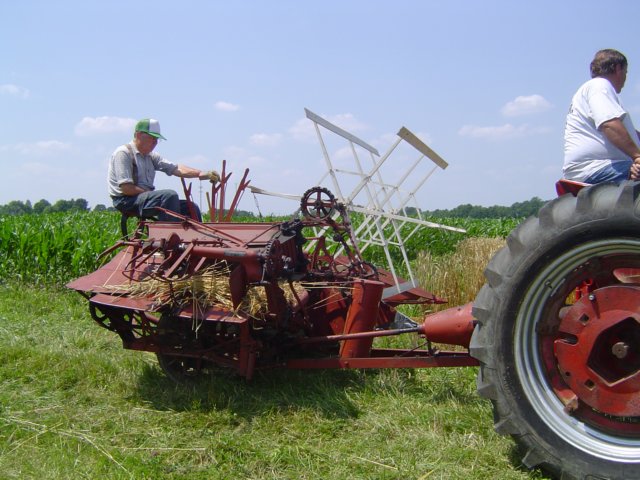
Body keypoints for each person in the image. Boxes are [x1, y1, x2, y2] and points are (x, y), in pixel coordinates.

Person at [108, 118, 219, 221]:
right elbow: (126, 188)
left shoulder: (151, 156)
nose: (155, 142)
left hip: (144, 198)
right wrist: (152, 194)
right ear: (138, 135)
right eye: (152, 138)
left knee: (191, 207)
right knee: (169, 196)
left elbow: (175, 168)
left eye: (157, 139)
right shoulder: (124, 153)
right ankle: (168, 238)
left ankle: (196, 239)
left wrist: (202, 173)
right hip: (126, 200)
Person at [563, 49, 640, 183]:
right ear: (618, 68)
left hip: (591, 168)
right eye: (626, 72)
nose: (625, 79)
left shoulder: (590, 90)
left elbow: (627, 133)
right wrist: (637, 156)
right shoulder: (600, 85)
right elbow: (609, 125)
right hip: (597, 167)